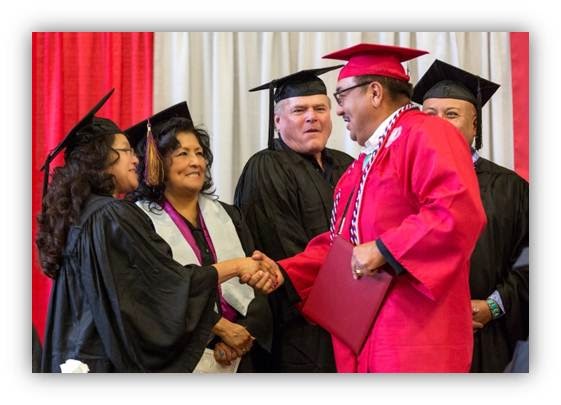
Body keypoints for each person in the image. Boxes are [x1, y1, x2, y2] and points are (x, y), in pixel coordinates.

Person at [274, 43, 487, 372]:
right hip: (362, 332)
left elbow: (455, 210)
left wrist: (386, 249)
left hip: (412, 333)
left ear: (374, 92)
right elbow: (344, 245)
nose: (340, 109)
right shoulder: (360, 167)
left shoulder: (427, 134)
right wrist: (283, 272)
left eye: (342, 96)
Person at [36, 89, 276, 372]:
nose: (136, 159)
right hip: (101, 358)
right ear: (101, 158)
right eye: (126, 150)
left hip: (78, 355)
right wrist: (238, 266)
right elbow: (165, 284)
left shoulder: (88, 214)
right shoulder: (112, 215)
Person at [125, 102, 274, 372]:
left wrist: (242, 333)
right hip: (182, 360)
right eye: (182, 153)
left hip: (243, 357)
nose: (196, 162)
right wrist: (215, 334)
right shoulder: (138, 223)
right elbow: (151, 297)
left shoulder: (229, 215)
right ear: (157, 161)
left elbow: (255, 282)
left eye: (199, 153)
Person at [412, 59, 529, 372]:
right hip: (416, 337)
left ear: (474, 125)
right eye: (429, 114)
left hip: (489, 339)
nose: (438, 123)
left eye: (451, 115)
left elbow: (535, 259)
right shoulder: (401, 182)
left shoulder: (510, 188)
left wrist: (492, 306)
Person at [234, 66, 354, 372]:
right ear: (278, 121)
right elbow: (285, 252)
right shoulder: (267, 166)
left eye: (320, 108)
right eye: (299, 110)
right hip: (297, 328)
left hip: (354, 321)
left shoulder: (347, 165)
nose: (312, 116)